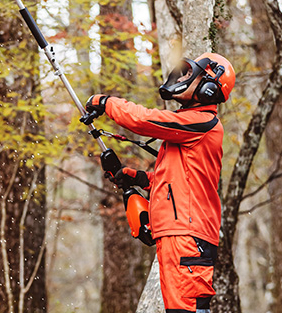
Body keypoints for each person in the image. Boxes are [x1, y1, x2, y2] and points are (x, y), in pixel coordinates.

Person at [84, 52, 236, 313]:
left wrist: (107, 103)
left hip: (188, 236)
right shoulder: (189, 128)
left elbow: (144, 120)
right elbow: (177, 185)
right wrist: (140, 179)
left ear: (209, 88)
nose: (184, 77)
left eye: (191, 74)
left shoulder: (203, 123)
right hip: (177, 234)